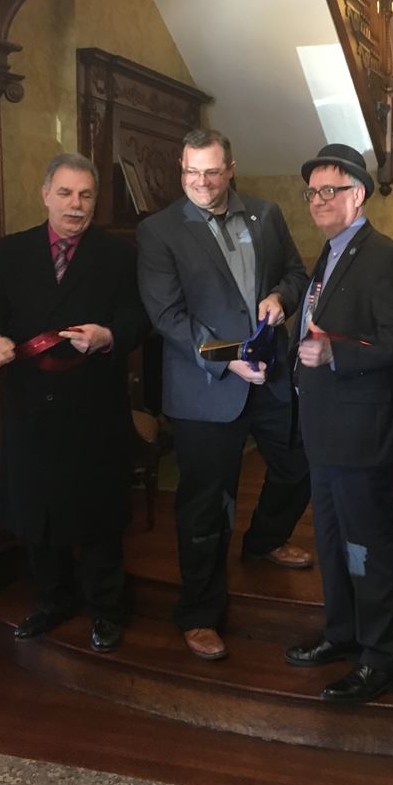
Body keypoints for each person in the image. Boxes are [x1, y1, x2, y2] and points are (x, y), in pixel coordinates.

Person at [136, 128, 311, 661]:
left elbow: (296, 272)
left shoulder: (265, 213)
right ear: (181, 168)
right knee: (206, 506)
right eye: (192, 172)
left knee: (299, 464)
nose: (202, 182)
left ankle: (264, 540)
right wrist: (224, 359)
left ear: (230, 169)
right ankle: (199, 613)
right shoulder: (158, 231)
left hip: (270, 378)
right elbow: (168, 316)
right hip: (206, 387)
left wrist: (280, 297)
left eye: (212, 172)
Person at [0, 152, 149, 653]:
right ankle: (51, 601)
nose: (76, 204)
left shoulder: (118, 255)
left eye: (86, 195)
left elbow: (137, 318)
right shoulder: (11, 250)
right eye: (66, 193)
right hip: (30, 404)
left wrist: (108, 336)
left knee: (98, 514)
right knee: (37, 510)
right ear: (46, 194)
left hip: (93, 404)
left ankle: (107, 610)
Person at [284, 144, 393, 704]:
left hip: (363, 435)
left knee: (369, 545)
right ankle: (341, 633)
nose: (317, 200)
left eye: (329, 190)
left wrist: (336, 355)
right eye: (312, 192)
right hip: (324, 430)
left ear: (358, 194)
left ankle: (381, 658)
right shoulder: (331, 252)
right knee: (331, 539)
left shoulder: (381, 256)